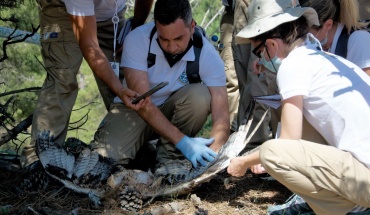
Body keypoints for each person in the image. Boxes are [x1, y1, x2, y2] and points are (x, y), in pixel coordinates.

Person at [227, 0, 370, 214]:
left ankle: (350, 208)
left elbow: (287, 143)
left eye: (259, 52)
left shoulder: (293, 66)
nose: (260, 59)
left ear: (273, 45)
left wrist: (245, 161)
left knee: (271, 152)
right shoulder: (320, 58)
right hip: (361, 173)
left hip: (364, 180)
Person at [91, 0, 230, 169]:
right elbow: (143, 105)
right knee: (102, 162)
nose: (171, 47)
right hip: (135, 111)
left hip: (175, 110)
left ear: (192, 26)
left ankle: (168, 158)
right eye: (164, 39)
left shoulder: (207, 54)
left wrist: (212, 159)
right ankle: (146, 152)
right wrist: (184, 142)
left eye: (179, 38)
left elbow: (221, 118)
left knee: (200, 95)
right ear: (156, 27)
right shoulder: (137, 40)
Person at [21, 0, 154, 168]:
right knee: (62, 77)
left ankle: (135, 147)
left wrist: (136, 24)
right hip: (63, 11)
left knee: (127, 75)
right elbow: (89, 46)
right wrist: (119, 90)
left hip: (111, 14)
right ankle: (40, 158)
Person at [300, 0, 370, 76]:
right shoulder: (317, 45)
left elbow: (366, 84)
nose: (301, 37)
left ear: (328, 25)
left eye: (305, 33)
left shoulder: (359, 39)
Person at [219, 0, 239, 133]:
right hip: (232, 15)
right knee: (230, 78)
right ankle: (230, 133)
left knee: (260, 77)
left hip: (262, 12)